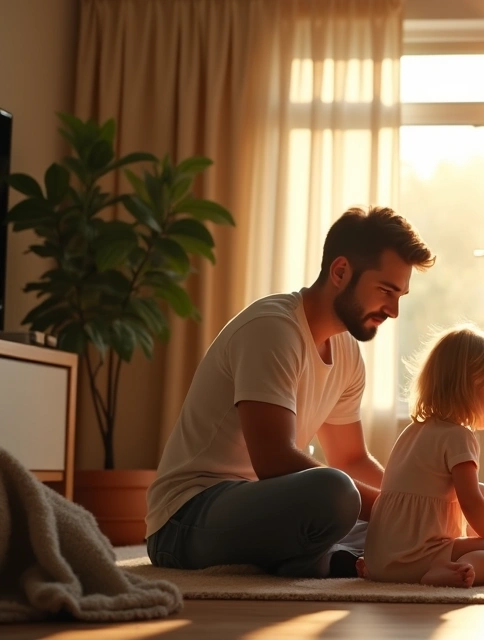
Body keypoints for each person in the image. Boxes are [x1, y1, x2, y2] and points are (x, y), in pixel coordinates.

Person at [145, 206, 435, 578]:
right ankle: (329, 557)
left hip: (268, 510)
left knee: (387, 518)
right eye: (385, 291)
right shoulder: (273, 329)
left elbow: (351, 458)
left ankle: (324, 558)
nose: (393, 310)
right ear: (341, 271)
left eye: (401, 296)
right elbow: (274, 461)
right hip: (188, 515)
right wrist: (396, 514)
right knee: (336, 494)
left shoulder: (347, 351)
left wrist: (421, 505)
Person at [357, 324, 484, 587]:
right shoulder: (459, 436)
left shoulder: (413, 432)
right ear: (466, 388)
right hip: (418, 558)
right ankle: (455, 569)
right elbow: (470, 501)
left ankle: (440, 562)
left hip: (381, 560)